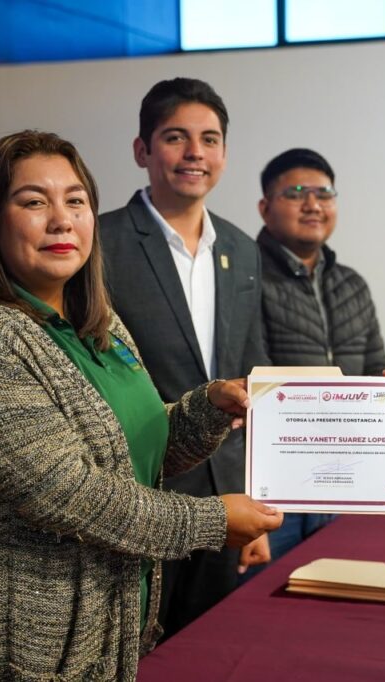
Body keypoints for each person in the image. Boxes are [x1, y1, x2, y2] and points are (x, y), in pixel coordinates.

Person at [0, 130, 282, 681]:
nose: (61, 220)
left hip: (101, 624)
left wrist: (210, 407)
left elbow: (132, 447)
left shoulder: (97, 324)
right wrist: (213, 520)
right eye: (34, 202)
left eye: (76, 201)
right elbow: (67, 493)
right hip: (4, 641)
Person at [98, 78, 268, 638]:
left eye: (210, 139)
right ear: (142, 150)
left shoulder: (243, 249)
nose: (196, 152)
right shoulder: (101, 244)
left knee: (206, 640)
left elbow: (253, 377)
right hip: (139, 489)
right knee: (134, 643)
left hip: (225, 493)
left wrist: (257, 499)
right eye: (176, 137)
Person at [255, 147, 385, 560]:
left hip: (347, 486)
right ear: (265, 208)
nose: (313, 205)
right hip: (274, 493)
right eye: (296, 193)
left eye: (324, 194)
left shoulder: (353, 285)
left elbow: (375, 369)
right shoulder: (244, 278)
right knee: (263, 615)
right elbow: (242, 383)